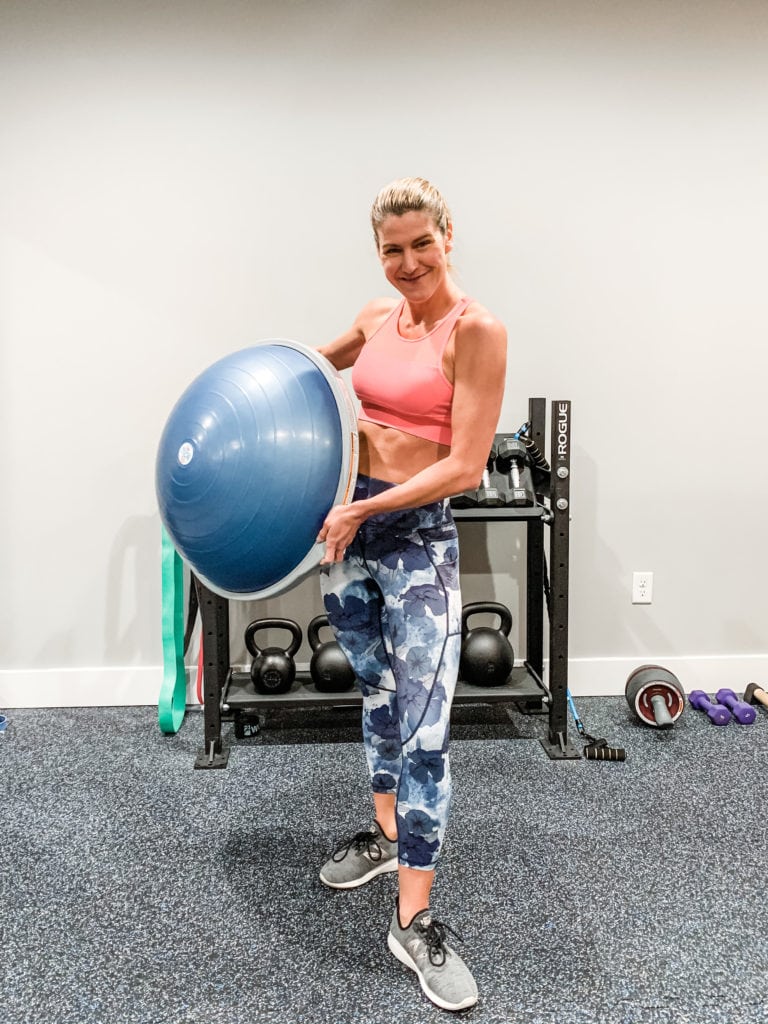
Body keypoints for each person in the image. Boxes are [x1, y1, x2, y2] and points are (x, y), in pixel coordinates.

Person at [315, 176, 507, 1012]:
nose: (408, 262)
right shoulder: (372, 318)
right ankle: (388, 833)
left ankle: (414, 921)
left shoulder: (477, 330)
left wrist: (364, 508)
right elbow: (301, 375)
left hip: (414, 539)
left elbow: (464, 466)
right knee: (376, 693)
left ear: (448, 236)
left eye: (422, 243)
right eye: (392, 249)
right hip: (348, 534)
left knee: (425, 730)